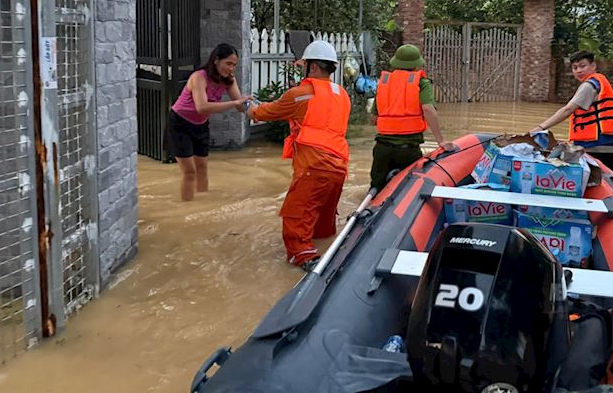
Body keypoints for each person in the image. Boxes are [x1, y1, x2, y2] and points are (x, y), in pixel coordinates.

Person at [245, 40, 350, 271]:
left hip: (314, 166)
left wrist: (248, 108)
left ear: (312, 67)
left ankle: (303, 257)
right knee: (322, 224)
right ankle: (324, 250)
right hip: (339, 167)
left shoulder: (301, 94)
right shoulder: (342, 94)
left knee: (297, 214)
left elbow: (264, 112)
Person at [166, 43, 250, 201]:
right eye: (229, 64)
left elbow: (241, 105)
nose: (232, 69)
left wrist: (260, 111)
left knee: (202, 167)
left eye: (234, 65)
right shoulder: (199, 77)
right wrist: (235, 104)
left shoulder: (229, 80)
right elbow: (202, 107)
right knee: (189, 171)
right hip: (180, 124)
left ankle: (203, 205)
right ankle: (187, 210)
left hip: (201, 125)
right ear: (216, 60)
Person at [369, 44, 454, 191]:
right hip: (408, 151)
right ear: (416, 65)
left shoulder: (384, 83)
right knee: (410, 191)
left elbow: (373, 118)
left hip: (381, 149)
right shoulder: (421, 83)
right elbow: (428, 109)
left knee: (375, 190)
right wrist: (441, 140)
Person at [530, 50, 613, 170]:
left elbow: (567, 109)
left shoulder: (589, 86)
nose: (578, 70)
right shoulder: (599, 81)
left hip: (597, 145)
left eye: (582, 66)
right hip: (608, 144)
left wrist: (540, 128)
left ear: (593, 66)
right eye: (575, 67)